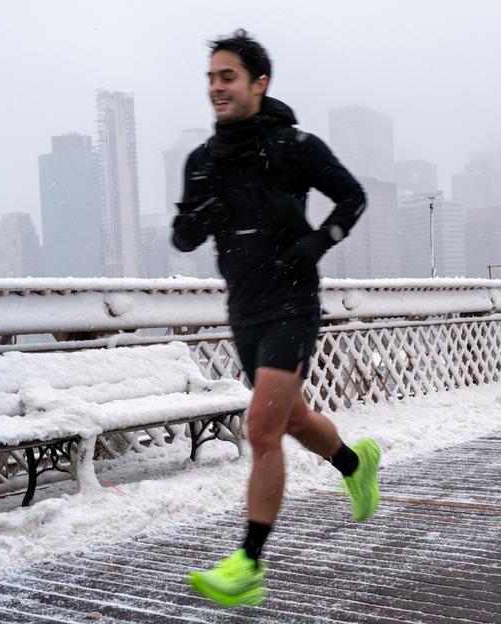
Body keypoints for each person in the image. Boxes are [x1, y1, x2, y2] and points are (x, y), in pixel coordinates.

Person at [172, 29, 380, 608]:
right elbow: (183, 236)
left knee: (261, 429)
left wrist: (315, 247)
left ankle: (249, 566)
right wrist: (200, 214)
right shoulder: (202, 160)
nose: (216, 87)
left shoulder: (294, 145)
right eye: (211, 77)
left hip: (292, 302)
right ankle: (354, 462)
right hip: (244, 309)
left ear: (260, 83)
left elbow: (352, 197)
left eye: (228, 76)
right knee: (290, 420)